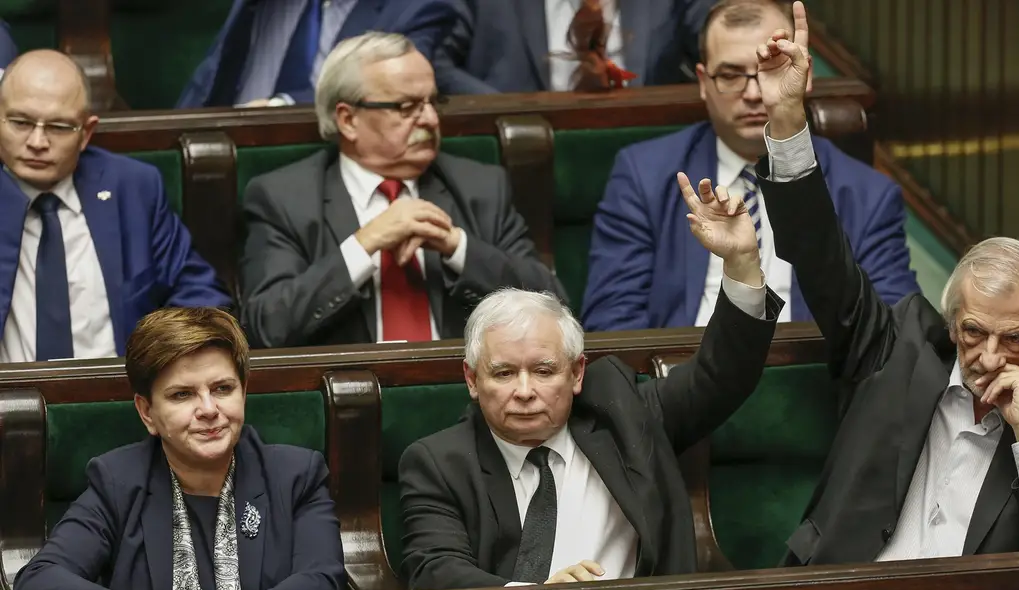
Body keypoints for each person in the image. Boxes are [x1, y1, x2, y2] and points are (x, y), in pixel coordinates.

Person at [740, 2, 1019, 565]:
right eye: (974, 332)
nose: (988, 356)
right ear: (950, 317)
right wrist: (788, 116)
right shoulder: (895, 348)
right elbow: (817, 252)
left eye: (1016, 339)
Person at [398, 149, 782, 590]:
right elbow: (435, 570)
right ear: (472, 379)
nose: (524, 391)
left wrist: (741, 263)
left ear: (577, 373)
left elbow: (723, 374)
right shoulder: (438, 463)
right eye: (503, 373)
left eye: (544, 371)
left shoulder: (626, 413)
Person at [580, 0, 919, 331]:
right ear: (703, 82)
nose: (755, 93)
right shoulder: (643, 176)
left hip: (813, 378)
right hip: (679, 375)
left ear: (805, 74)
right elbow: (611, 326)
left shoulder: (868, 194)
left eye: (771, 69)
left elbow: (898, 332)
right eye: (729, 75)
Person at [12, 307, 346, 590]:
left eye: (222, 389)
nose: (208, 410)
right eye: (182, 395)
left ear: (243, 391)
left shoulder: (296, 475)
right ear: (147, 413)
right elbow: (40, 581)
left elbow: (323, 580)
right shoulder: (118, 481)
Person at [240, 32, 564, 349]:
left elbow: (553, 307)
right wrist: (363, 245)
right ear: (348, 119)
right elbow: (267, 328)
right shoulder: (283, 198)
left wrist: (459, 248)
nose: (431, 119)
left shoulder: (481, 187)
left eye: (433, 102)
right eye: (407, 106)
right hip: (351, 390)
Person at [0, 51, 231, 364]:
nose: (37, 141)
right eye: (21, 122)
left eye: (58, 127)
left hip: (123, 399)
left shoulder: (133, 188)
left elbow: (197, 292)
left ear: (86, 133)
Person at [176, 0, 458, 108]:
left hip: (312, 167)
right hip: (210, 146)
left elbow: (388, 90)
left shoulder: (416, 8)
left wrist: (280, 107)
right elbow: (212, 76)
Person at [434, 0, 714, 94]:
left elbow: (722, 44)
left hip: (649, 158)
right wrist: (504, 110)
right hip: (516, 159)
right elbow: (434, 63)